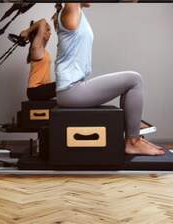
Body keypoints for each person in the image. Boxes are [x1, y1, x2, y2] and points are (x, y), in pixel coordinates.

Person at [53, 3, 165, 155]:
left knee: (132, 81)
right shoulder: (71, 9)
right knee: (134, 79)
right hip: (71, 91)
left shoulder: (76, 12)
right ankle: (133, 141)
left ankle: (133, 136)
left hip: (73, 88)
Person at [19, 19, 56, 101]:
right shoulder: (36, 48)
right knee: (64, 83)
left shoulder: (42, 48)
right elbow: (42, 21)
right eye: (47, 30)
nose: (50, 33)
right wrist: (27, 31)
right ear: (41, 32)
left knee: (65, 83)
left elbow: (43, 33)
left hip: (41, 89)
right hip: (35, 90)